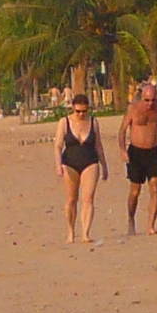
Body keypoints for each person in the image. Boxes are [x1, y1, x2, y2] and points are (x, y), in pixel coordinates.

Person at [120, 78, 157, 234]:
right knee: (135, 191)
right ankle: (131, 220)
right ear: (141, 97)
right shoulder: (133, 109)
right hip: (136, 152)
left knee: (155, 188)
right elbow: (122, 130)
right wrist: (122, 150)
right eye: (147, 100)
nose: (149, 104)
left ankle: (151, 226)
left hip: (153, 151)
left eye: (152, 100)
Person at [54, 95, 105, 244]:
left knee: (88, 199)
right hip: (69, 163)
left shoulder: (93, 122)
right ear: (73, 108)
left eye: (84, 111)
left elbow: (99, 146)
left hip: (90, 162)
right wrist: (58, 165)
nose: (81, 114)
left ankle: (85, 233)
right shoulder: (64, 122)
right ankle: (71, 232)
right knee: (71, 199)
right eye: (78, 111)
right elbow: (58, 145)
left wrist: (104, 166)